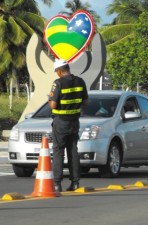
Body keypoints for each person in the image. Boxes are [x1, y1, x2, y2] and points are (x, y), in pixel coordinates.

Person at [48, 59, 88, 192]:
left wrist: (50, 100)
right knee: (72, 151)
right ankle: (75, 182)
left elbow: (53, 105)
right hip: (74, 121)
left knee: (58, 151)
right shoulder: (80, 81)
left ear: (59, 71)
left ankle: (57, 184)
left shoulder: (58, 83)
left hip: (61, 122)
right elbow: (86, 102)